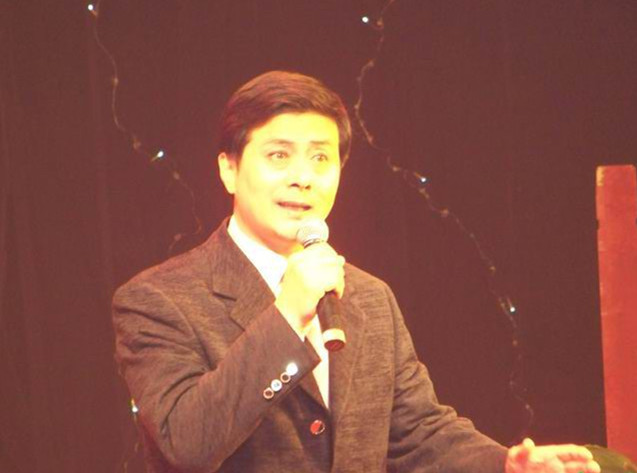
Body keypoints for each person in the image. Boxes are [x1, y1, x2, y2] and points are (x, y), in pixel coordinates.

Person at [112, 70, 600, 473]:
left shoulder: (368, 297)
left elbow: (415, 432)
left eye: (321, 158)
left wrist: (505, 464)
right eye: (279, 155)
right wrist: (287, 316)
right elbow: (186, 445)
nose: (303, 177)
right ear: (229, 169)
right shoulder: (159, 299)